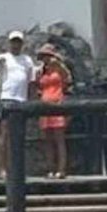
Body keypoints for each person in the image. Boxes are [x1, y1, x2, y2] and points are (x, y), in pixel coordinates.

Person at [0, 31, 38, 179]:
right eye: (13, 41)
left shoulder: (27, 60)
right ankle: (2, 168)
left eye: (18, 42)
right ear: (9, 43)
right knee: (4, 136)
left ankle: (15, 168)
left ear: (22, 44)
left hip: (20, 101)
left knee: (17, 136)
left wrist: (33, 100)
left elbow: (31, 82)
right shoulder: (3, 58)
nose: (15, 44)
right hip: (5, 98)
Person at [34, 43, 72, 178]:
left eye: (48, 56)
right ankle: (50, 168)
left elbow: (68, 79)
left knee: (59, 139)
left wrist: (58, 65)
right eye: (44, 56)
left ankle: (61, 169)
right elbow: (37, 87)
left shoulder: (59, 68)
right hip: (45, 105)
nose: (46, 59)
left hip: (58, 103)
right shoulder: (41, 71)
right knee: (47, 139)